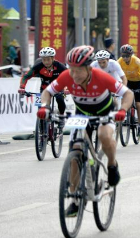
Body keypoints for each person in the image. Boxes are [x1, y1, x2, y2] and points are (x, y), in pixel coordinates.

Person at [39, 46, 133, 217]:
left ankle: (112, 164)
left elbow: (128, 94)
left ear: (89, 68)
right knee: (75, 152)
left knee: (104, 135)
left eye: (79, 70)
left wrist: (123, 110)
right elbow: (47, 92)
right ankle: (75, 200)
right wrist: (44, 107)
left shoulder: (101, 77)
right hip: (82, 114)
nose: (74, 75)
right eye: (72, 70)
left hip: (105, 112)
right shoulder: (66, 76)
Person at [19, 47, 68, 116]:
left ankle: (61, 116)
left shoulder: (60, 66)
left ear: (53, 58)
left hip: (58, 88)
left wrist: (67, 88)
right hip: (44, 89)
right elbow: (26, 76)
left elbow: (69, 77)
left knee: (60, 99)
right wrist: (22, 87)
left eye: (48, 59)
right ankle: (42, 121)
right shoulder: (39, 66)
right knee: (41, 108)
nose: (46, 62)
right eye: (44, 60)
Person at [117, 44, 140, 136]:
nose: (125, 58)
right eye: (123, 56)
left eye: (127, 56)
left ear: (131, 55)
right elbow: (114, 72)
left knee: (138, 103)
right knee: (124, 100)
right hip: (127, 82)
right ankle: (125, 117)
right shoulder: (119, 61)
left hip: (138, 82)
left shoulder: (136, 61)